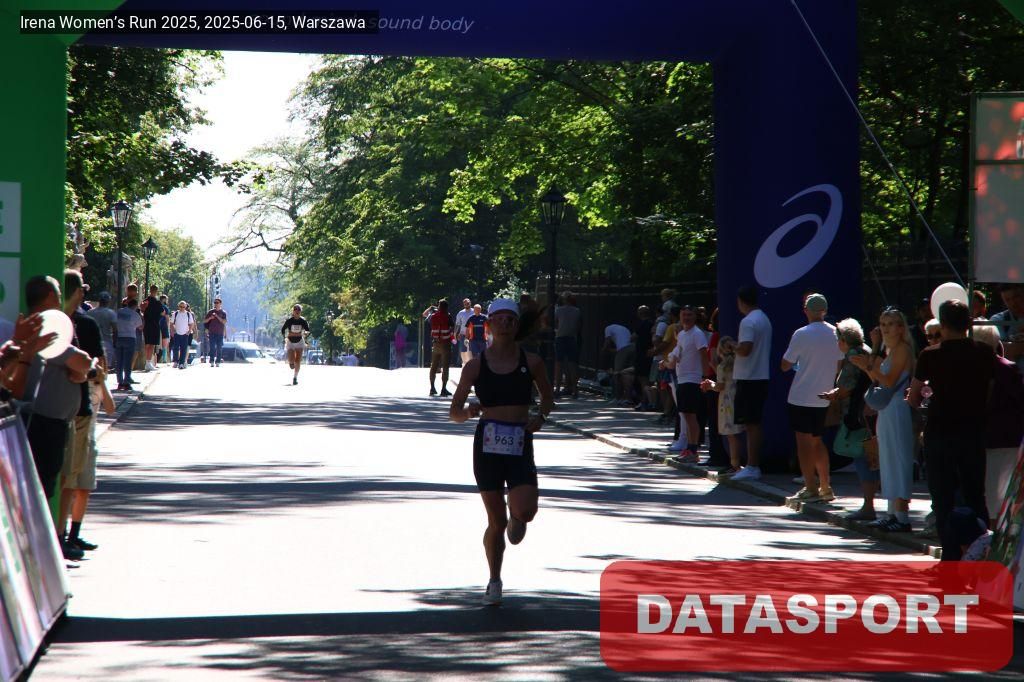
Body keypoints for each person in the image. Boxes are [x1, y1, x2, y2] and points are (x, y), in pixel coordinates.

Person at [448, 298, 553, 605]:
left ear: (517, 325)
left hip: (520, 443)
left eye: (511, 319)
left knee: (526, 512)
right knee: (496, 522)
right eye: (499, 318)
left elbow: (548, 398)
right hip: (488, 446)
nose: (505, 323)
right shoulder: (475, 366)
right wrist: (469, 412)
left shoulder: (532, 362)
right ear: (489, 324)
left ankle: (517, 515)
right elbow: (454, 413)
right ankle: (494, 580)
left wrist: (540, 417)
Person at [909, 300, 996, 560]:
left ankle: (950, 554)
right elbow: (991, 392)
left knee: (943, 497)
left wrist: (925, 402)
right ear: (969, 323)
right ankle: (981, 552)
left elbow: (914, 397)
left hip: (940, 433)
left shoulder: (930, 355)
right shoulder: (984, 352)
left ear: (943, 324)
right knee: (975, 494)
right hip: (973, 432)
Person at [19, 275, 94, 558]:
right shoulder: (46, 326)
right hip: (43, 422)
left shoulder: (34, 325)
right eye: (58, 292)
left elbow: (81, 368)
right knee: (42, 487)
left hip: (46, 421)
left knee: (44, 485)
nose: (61, 297)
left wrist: (82, 372)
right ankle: (39, 552)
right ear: (50, 297)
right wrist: (83, 371)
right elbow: (82, 362)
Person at [59, 269, 110, 555]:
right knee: (74, 476)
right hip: (80, 407)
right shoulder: (83, 325)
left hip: (56, 408)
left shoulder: (53, 323)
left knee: (67, 476)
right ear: (79, 293)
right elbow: (99, 368)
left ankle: (65, 535)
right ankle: (64, 535)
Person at [851, 308, 916, 532]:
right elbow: (877, 379)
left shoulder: (903, 349)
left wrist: (869, 366)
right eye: (883, 323)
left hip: (897, 409)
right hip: (887, 410)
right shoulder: (890, 350)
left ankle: (902, 516)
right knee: (887, 460)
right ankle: (891, 514)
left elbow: (889, 381)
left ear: (900, 327)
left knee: (898, 459)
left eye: (890, 324)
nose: (886, 328)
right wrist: (868, 365)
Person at [781, 294, 842, 503]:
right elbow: (839, 365)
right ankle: (825, 486)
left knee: (803, 444)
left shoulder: (801, 333)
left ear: (806, 310)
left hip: (801, 395)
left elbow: (785, 365)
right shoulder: (836, 333)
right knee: (818, 441)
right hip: (824, 396)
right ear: (825, 310)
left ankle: (810, 487)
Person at [822, 319, 876, 519]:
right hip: (870, 412)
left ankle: (868, 506)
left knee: (863, 458)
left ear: (843, 340)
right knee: (870, 458)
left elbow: (846, 387)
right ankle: (869, 505)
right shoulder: (866, 349)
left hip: (858, 414)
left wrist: (834, 395)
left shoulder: (853, 355)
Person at [970, 324, 1024, 521]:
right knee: (994, 493)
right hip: (995, 438)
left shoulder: (1001, 368)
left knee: (995, 494)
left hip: (1000, 439)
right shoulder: (1006, 367)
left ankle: (994, 532)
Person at [731, 286, 772, 481]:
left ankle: (752, 466)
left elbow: (745, 349)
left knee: (751, 424)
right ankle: (752, 465)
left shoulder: (748, 321)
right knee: (752, 424)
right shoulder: (763, 318)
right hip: (759, 376)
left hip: (749, 377)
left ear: (741, 301)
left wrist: (731, 345)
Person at [660, 306, 710, 461]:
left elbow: (704, 355)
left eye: (689, 315)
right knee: (686, 416)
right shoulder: (682, 335)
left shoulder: (697, 334)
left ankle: (693, 451)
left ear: (695, 317)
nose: (686, 318)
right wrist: (666, 364)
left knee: (691, 416)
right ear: (680, 317)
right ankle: (689, 448)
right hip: (682, 379)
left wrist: (705, 376)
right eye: (684, 315)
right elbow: (676, 359)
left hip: (693, 379)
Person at [701, 336, 745, 474]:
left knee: (731, 435)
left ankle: (735, 464)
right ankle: (739, 463)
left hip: (726, 401)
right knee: (738, 433)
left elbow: (720, 386)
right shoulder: (739, 364)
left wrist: (710, 385)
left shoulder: (722, 367)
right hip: (738, 399)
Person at [422, 299, 453, 397]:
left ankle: (432, 388)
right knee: (445, 367)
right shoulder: (448, 316)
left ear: (439, 306)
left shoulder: (433, 316)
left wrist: (431, 308)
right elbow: (452, 326)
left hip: (436, 344)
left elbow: (425, 315)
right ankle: (443, 389)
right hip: (446, 344)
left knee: (433, 366)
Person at [554, 293, 582, 399]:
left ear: (564, 300)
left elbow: (555, 323)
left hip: (560, 337)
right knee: (572, 365)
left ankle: (557, 389)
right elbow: (578, 326)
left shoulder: (558, 310)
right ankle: (574, 389)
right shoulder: (577, 311)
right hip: (572, 338)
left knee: (559, 364)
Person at [990, 283, 1023, 367]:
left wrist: (1015, 345)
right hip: (1013, 374)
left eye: (1016, 297)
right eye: (1007, 300)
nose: (1013, 303)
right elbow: (1002, 351)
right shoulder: (998, 320)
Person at [114, 299, 142, 391]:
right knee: (128, 361)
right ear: (135, 306)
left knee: (119, 361)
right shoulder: (135, 314)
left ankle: (120, 382)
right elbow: (140, 326)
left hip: (119, 337)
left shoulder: (119, 312)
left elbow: (114, 323)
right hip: (130, 337)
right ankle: (126, 382)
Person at [603, 321, 634, 402]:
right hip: (632, 348)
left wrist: (604, 349)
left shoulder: (607, 328)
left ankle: (617, 397)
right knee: (627, 373)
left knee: (617, 374)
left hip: (623, 349)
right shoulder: (623, 328)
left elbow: (607, 342)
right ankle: (628, 397)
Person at [86, 292, 117, 372]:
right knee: (105, 368)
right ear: (108, 301)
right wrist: (115, 343)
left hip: (92, 343)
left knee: (93, 367)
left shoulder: (90, 312)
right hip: (107, 343)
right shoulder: (111, 313)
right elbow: (115, 329)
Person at [281, 304, 311, 385]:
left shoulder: (303, 321)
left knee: (298, 360)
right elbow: (283, 329)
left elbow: (308, 330)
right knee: (291, 361)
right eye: (295, 310)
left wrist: (305, 334)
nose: (297, 311)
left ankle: (295, 377)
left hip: (299, 341)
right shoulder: (289, 321)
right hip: (290, 342)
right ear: (293, 311)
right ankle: (291, 363)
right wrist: (284, 338)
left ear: (300, 312)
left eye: (299, 310)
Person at [140, 284, 164, 371]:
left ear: (150, 290)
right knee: (152, 344)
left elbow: (141, 311)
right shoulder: (157, 302)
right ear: (156, 291)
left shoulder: (145, 301)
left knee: (147, 343)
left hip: (146, 324)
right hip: (155, 324)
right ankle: (148, 362)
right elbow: (163, 313)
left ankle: (147, 362)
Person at [170, 301, 197, 369]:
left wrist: (189, 331)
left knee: (183, 349)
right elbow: (171, 323)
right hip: (177, 333)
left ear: (185, 307)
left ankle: (181, 363)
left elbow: (192, 323)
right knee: (176, 348)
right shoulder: (175, 314)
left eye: (184, 307)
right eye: (181, 307)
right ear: (178, 306)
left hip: (185, 334)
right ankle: (175, 361)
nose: (182, 308)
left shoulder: (188, 314)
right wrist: (173, 331)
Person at [204, 298, 228, 367]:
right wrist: (210, 318)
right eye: (215, 303)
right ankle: (211, 361)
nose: (216, 304)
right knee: (212, 348)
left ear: (220, 304)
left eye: (217, 303)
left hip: (220, 333)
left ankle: (218, 361)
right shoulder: (210, 312)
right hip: (212, 333)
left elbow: (224, 322)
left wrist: (217, 316)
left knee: (219, 348)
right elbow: (205, 321)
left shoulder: (223, 312)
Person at [455, 298, 474, 365]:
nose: (466, 304)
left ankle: (472, 364)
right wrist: (455, 334)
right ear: (463, 304)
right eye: (465, 303)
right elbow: (457, 324)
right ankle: (465, 364)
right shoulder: (461, 313)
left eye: (468, 303)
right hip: (462, 335)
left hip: (473, 335)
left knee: (472, 350)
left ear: (470, 303)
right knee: (463, 350)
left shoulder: (474, 311)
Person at [158, 294, 171, 364]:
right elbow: (167, 318)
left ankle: (156, 358)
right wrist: (168, 328)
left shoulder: (156, 306)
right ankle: (164, 359)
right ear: (164, 299)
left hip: (156, 325)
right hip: (164, 325)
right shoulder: (165, 307)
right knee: (165, 342)